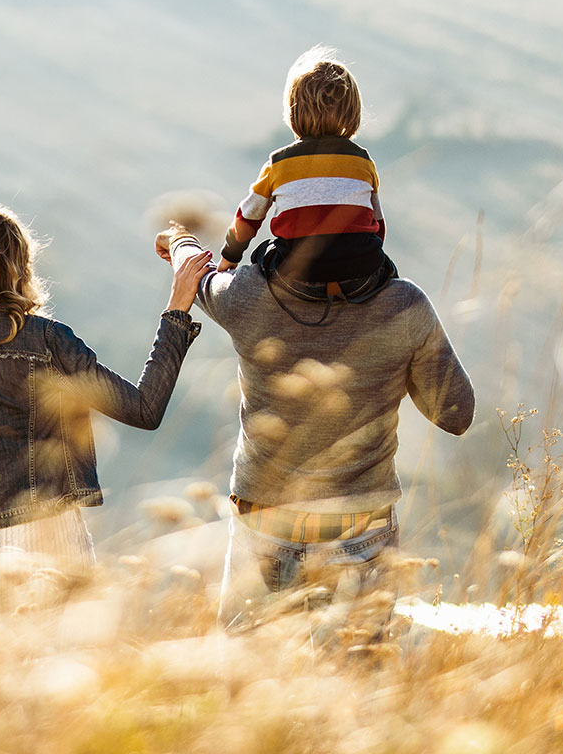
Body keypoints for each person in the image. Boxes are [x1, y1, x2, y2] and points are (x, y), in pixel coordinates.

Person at [156, 224, 473, 629]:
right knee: (358, 666)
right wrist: (395, 355)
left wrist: (177, 237)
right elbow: (455, 415)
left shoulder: (247, 293)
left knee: (249, 668)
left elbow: (196, 271)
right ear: (371, 223)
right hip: (362, 531)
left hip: (264, 526)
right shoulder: (402, 304)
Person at [0, 205, 211, 609]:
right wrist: (177, 309)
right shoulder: (49, 341)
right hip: (50, 542)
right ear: (19, 268)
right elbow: (144, 409)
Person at [218, 46, 389, 288]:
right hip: (359, 269)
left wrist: (229, 258)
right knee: (389, 270)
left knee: (262, 255)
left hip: (296, 271)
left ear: (293, 111)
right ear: (353, 112)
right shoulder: (363, 161)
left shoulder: (279, 163)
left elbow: (247, 217)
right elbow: (377, 225)